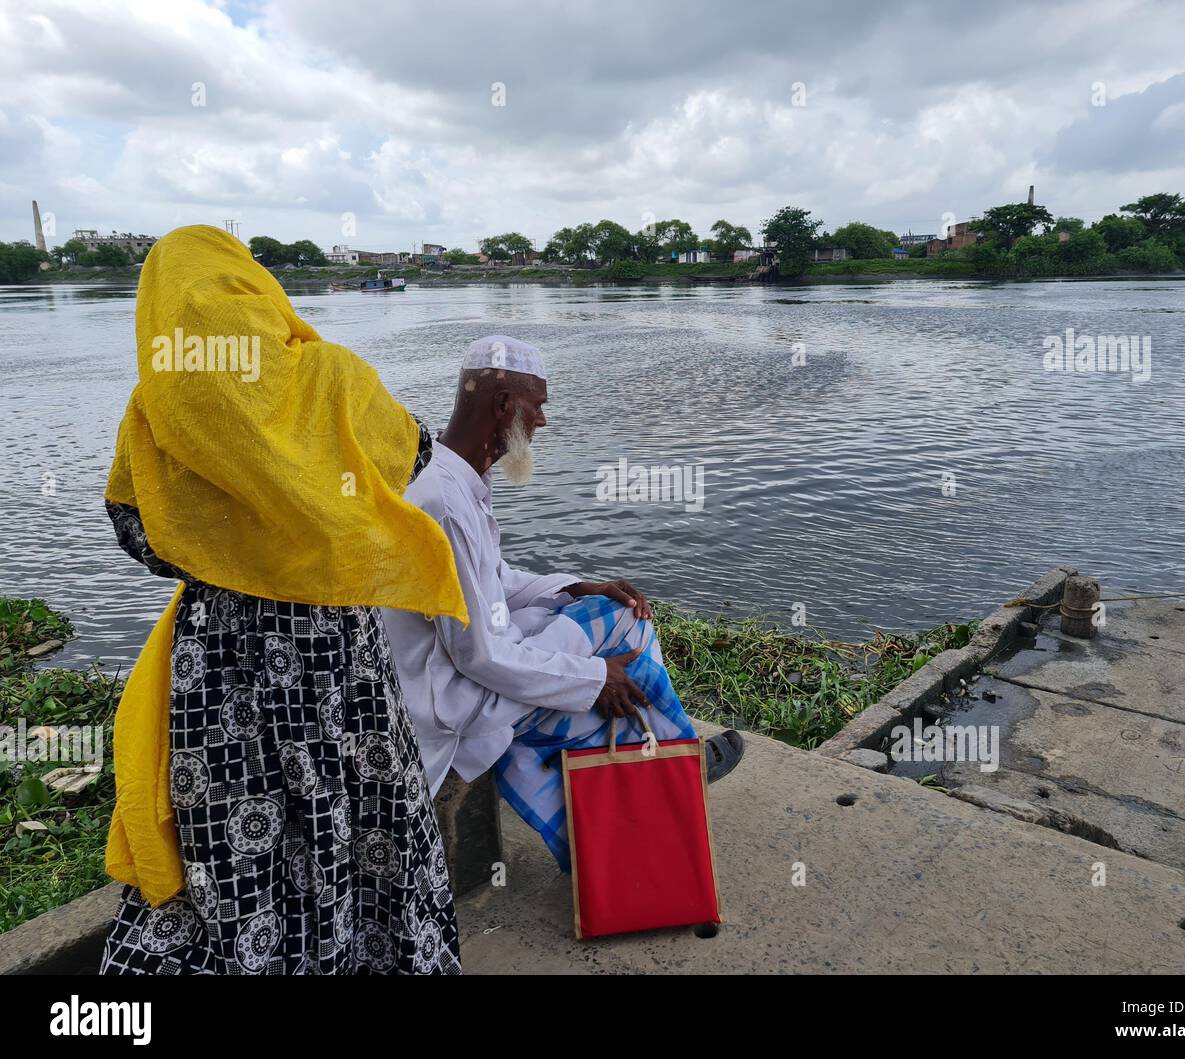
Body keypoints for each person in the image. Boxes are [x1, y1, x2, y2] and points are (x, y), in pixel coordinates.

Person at [99, 225, 467, 974]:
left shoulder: (155, 406)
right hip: (335, 655)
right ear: (255, 290)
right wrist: (307, 515)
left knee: (236, 839)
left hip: (218, 665)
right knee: (363, 815)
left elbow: (138, 536)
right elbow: (415, 455)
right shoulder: (330, 377)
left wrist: (231, 545)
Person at [382, 336, 743, 871]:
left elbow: (496, 581)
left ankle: (651, 763)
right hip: (451, 697)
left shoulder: (449, 479)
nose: (542, 421)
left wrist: (575, 587)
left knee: (603, 612)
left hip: (458, 672)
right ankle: (669, 761)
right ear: (503, 405)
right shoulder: (445, 503)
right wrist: (595, 677)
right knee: (626, 626)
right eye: (538, 405)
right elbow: (478, 656)